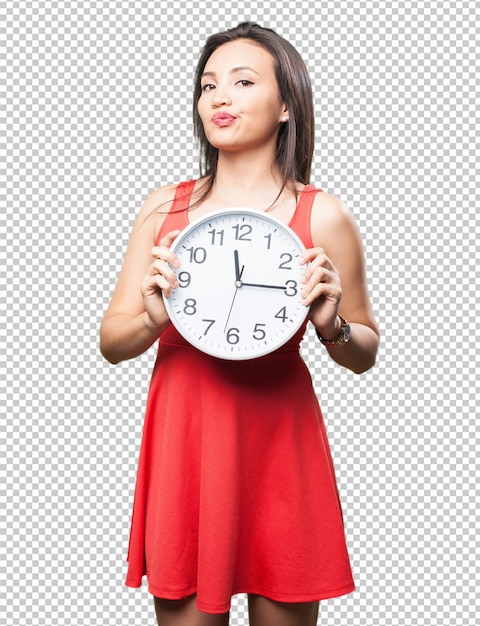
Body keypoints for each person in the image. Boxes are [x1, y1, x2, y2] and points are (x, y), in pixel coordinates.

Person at [100, 21, 379, 626]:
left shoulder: (322, 214)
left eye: (242, 82)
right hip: (188, 436)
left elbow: (365, 350)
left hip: (279, 438)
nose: (219, 97)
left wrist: (332, 326)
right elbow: (111, 341)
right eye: (207, 86)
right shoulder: (163, 207)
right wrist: (151, 319)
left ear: (285, 106)